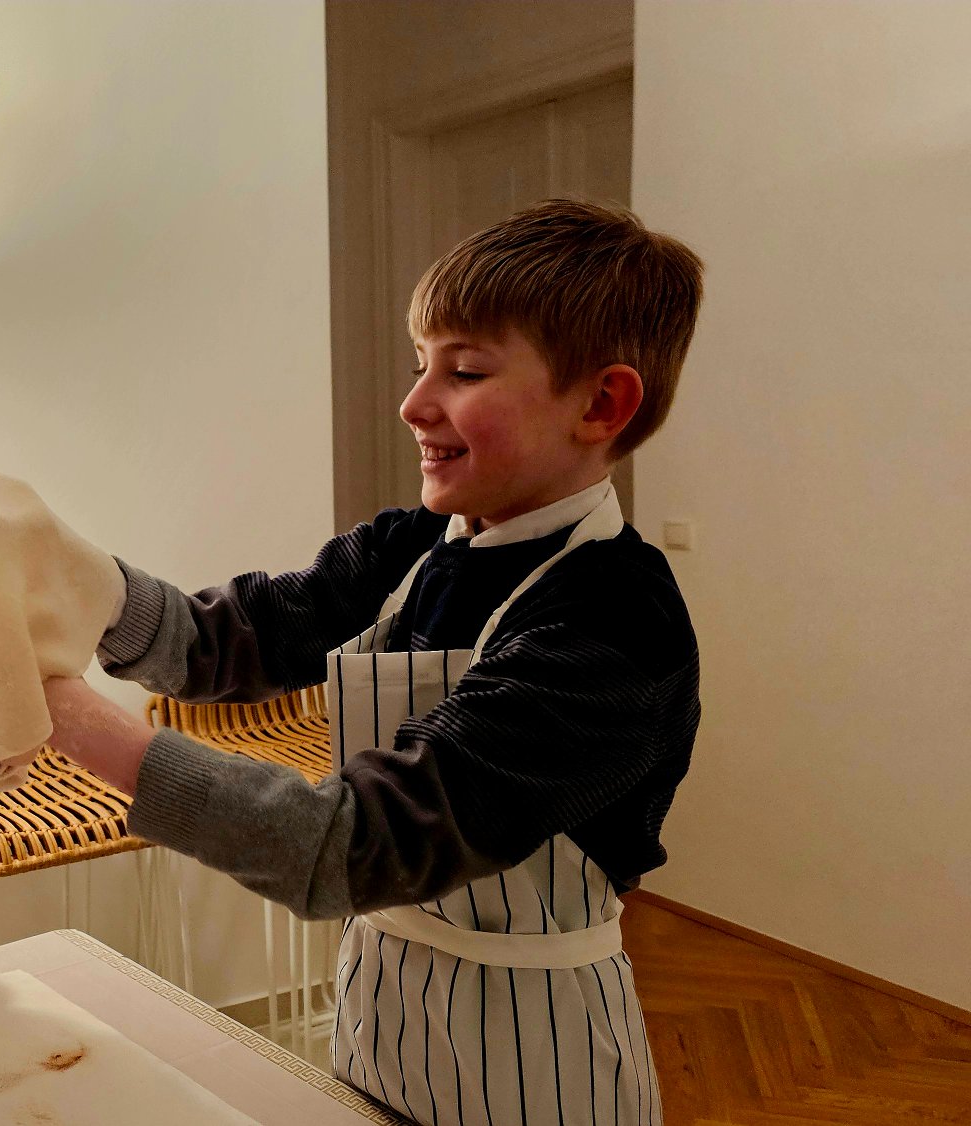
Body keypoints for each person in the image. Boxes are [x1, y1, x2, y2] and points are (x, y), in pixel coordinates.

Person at [43, 199, 703, 1126]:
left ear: (601, 405)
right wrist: (61, 573)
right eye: (418, 363)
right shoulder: (412, 546)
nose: (413, 404)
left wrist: (68, 718)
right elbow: (220, 641)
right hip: (382, 1002)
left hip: (536, 1050)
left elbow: (355, 845)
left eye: (464, 371)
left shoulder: (616, 620)